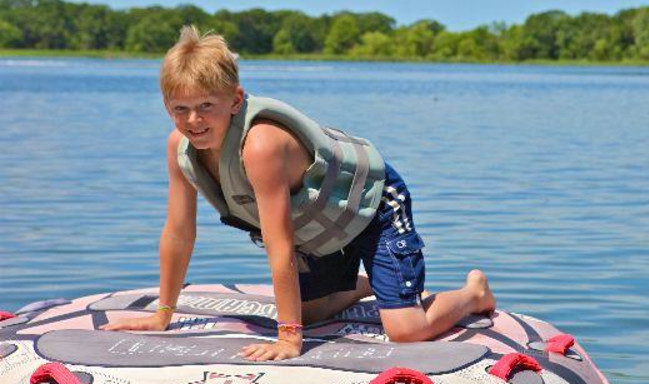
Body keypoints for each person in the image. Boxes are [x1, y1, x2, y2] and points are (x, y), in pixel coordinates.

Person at [102, 26, 495, 361]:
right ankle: (373, 282)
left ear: (235, 100)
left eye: (206, 105)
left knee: (405, 329)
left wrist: (290, 338)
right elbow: (179, 232)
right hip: (322, 229)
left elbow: (280, 243)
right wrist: (163, 313)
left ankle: (473, 293)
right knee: (308, 313)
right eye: (180, 108)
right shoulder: (179, 148)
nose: (193, 120)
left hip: (372, 206)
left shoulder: (260, 147)